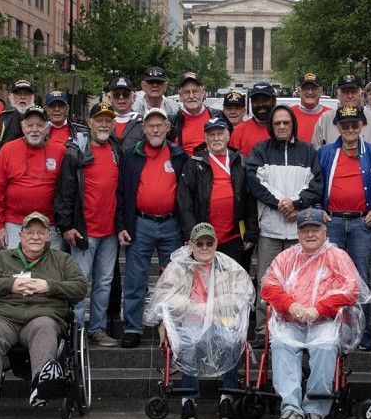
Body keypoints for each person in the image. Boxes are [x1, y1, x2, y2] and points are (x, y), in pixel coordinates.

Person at [0, 214, 89, 419]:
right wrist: (9, 285)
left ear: (48, 235)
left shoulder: (62, 260)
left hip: (42, 315)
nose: (35, 237)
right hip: (4, 317)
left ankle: (43, 384)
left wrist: (49, 286)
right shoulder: (1, 259)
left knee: (45, 326)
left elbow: (81, 288)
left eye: (40, 232)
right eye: (30, 232)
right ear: (20, 235)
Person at [260, 210, 371, 419]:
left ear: (325, 231)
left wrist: (318, 309)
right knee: (282, 344)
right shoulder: (286, 257)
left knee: (325, 346)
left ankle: (315, 409)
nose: (310, 234)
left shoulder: (337, 256)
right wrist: (291, 305)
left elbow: (350, 290)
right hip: (291, 319)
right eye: (305, 230)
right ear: (298, 232)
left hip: (325, 320)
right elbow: (269, 286)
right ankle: (291, 408)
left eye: (315, 229)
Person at [146, 223, 255, 419]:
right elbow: (163, 295)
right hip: (188, 321)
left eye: (209, 243)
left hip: (221, 320)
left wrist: (215, 307)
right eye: (200, 243)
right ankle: (189, 399)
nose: (204, 248)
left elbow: (243, 294)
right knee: (190, 342)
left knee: (231, 342)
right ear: (191, 245)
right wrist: (193, 307)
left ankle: (227, 399)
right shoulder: (178, 267)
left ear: (216, 244)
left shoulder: (228, 266)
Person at [116, 110, 190, 349]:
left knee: (174, 280)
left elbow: (186, 194)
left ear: (168, 127)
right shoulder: (130, 156)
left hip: (171, 224)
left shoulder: (179, 155)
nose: (156, 130)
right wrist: (122, 225)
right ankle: (132, 328)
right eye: (151, 126)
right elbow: (121, 193)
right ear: (144, 129)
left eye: (160, 125)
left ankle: (171, 327)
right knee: (136, 279)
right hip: (140, 223)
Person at [54, 103, 123, 347]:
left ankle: (97, 329)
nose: (104, 124)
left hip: (109, 232)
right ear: (89, 122)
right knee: (80, 283)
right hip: (84, 230)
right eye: (99, 120)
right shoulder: (75, 151)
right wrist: (66, 226)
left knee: (104, 283)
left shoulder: (116, 148)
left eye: (108, 120)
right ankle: (76, 331)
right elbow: (65, 192)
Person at [315, 106, 371, 317]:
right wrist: (319, 209)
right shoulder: (325, 152)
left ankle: (361, 328)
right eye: (345, 125)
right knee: (331, 274)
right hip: (332, 221)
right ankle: (333, 323)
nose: (350, 129)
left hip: (362, 223)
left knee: (361, 275)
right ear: (338, 127)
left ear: (362, 125)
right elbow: (315, 184)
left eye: (355, 125)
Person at [245, 104, 323, 282]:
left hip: (299, 231)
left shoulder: (308, 150)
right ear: (271, 126)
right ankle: (263, 312)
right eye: (277, 123)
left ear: (293, 124)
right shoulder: (260, 150)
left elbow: (315, 184)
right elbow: (256, 182)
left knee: (299, 283)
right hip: (269, 231)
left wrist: (295, 204)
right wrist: (283, 204)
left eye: (286, 122)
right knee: (267, 283)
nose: (282, 126)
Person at [183, 114, 254, 269]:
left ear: (228, 135)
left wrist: (250, 233)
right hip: (203, 239)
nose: (216, 138)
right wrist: (191, 233)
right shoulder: (194, 163)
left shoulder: (241, 162)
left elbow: (250, 200)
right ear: (205, 138)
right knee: (204, 285)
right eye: (211, 134)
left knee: (232, 284)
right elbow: (185, 202)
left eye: (220, 133)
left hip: (233, 237)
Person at [0, 105, 63, 249]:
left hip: (50, 225)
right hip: (15, 224)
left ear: (48, 128)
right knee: (15, 269)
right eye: (30, 125)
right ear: (23, 127)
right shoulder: (8, 150)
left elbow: (67, 190)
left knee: (50, 270)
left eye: (40, 125)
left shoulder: (60, 150)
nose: (35, 129)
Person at [312, 74, 368, 147]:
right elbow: (316, 150)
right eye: (345, 92)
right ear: (338, 95)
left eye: (354, 92)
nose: (350, 96)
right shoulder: (325, 119)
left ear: (361, 95)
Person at [230, 81, 277, 156]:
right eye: (255, 100)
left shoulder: (286, 129)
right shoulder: (239, 131)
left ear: (274, 100)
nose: (260, 104)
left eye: (265, 99)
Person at [290, 72, 333, 145]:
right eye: (306, 89)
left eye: (314, 89)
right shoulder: (289, 113)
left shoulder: (330, 115)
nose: (310, 92)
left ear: (321, 91)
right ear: (299, 91)